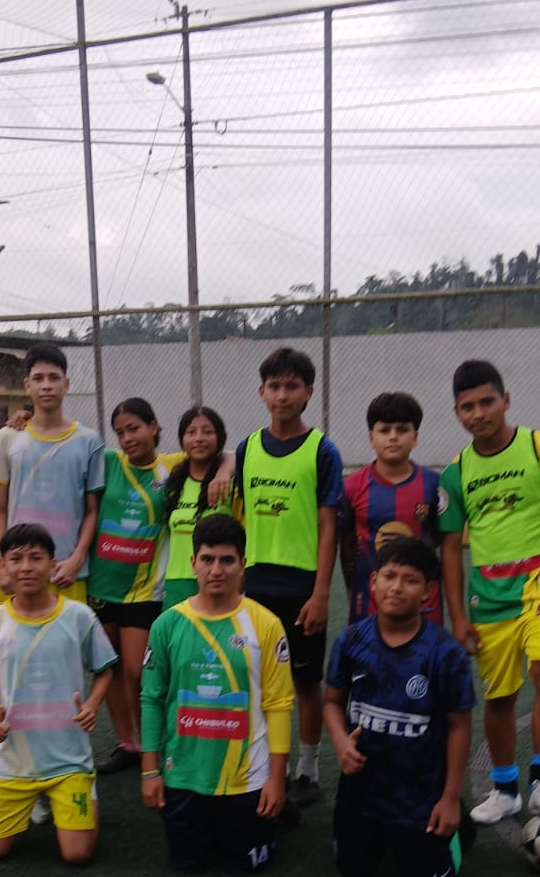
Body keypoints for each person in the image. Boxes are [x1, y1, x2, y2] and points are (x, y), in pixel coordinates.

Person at [438, 359, 540, 825]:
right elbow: (449, 548)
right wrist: (458, 617)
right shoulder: (455, 473)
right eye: (467, 407)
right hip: (488, 597)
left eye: (487, 402)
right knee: (499, 697)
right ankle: (505, 790)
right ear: (457, 413)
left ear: (506, 401)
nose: (478, 413)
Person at [140, 514, 293, 873]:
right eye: (207, 559)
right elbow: (151, 698)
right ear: (193, 562)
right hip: (184, 777)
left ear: (243, 564)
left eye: (227, 560)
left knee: (246, 867)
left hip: (246, 779)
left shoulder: (266, 624)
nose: (216, 570)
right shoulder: (167, 625)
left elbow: (279, 705)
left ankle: (275, 813)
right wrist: (150, 771)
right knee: (188, 866)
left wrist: (276, 779)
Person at [324, 537, 475, 877]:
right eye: (389, 576)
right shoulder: (351, 641)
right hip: (362, 791)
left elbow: (459, 726)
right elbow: (331, 702)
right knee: (352, 871)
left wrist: (450, 797)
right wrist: (341, 741)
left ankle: (457, 823)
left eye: (410, 580)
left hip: (418, 794)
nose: (396, 587)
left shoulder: (445, 652)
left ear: (428, 592)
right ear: (373, 580)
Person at [0, 524, 116, 865]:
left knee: (77, 855)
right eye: (16, 559)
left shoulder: (79, 616)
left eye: (36, 558)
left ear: (52, 564)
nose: (26, 567)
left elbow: (105, 670)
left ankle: (81, 791)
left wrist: (92, 704)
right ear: (3, 566)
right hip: (12, 761)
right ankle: (37, 799)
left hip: (68, 759)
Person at [233, 346, 342, 809]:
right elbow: (240, 517)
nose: (282, 395)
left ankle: (307, 769)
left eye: (292, 386)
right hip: (255, 583)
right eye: (274, 386)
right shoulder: (246, 448)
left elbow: (328, 526)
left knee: (304, 681)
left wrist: (321, 593)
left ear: (308, 392)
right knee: (255, 679)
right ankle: (260, 764)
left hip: (301, 586)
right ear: (261, 392)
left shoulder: (323, 450)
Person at [87, 397, 182, 774]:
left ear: (154, 427)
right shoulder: (109, 462)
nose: (127, 438)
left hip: (144, 589)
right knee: (108, 667)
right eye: (120, 432)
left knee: (137, 669)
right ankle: (128, 743)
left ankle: (151, 742)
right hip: (101, 584)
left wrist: (224, 466)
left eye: (134, 429)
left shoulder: (172, 466)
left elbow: (221, 453)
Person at [0, 343, 104, 604]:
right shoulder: (6, 438)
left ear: (67, 384)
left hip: (66, 573)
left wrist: (76, 560)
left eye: (54, 378)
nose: (47, 386)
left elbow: (92, 511)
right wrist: (2, 564)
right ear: (27, 385)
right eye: (38, 378)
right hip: (18, 573)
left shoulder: (89, 441)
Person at [338, 391, 442, 624]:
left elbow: (438, 539)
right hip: (369, 608)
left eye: (402, 430)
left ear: (415, 437)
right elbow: (347, 550)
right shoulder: (352, 487)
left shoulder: (434, 485)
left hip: (424, 611)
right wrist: (355, 592)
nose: (393, 437)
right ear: (371, 438)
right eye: (385, 430)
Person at [162, 405, 237, 610]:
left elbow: (238, 455)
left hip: (218, 579)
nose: (199, 439)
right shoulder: (173, 481)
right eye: (191, 432)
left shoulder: (230, 483)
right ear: (181, 439)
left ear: (220, 437)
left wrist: (224, 472)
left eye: (207, 432)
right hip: (177, 582)